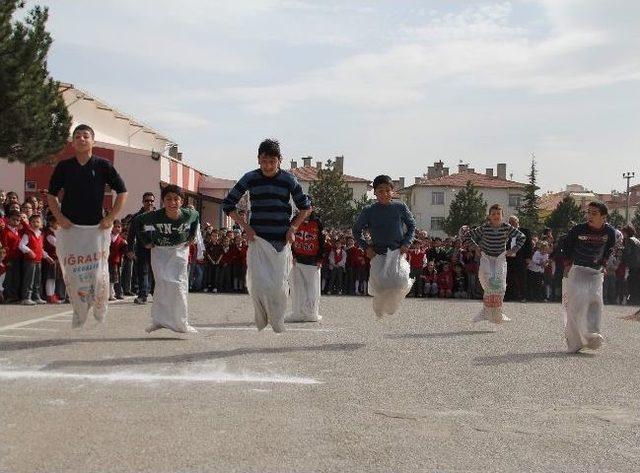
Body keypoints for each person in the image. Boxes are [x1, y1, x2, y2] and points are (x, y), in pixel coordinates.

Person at [222, 139, 311, 332]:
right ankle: (261, 315)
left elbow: (305, 207)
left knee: (278, 287)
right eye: (264, 161)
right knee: (259, 284)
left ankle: (277, 318)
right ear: (258, 160)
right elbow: (228, 205)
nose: (268, 166)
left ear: (280, 160)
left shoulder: (288, 179)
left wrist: (293, 228)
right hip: (258, 238)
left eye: (272, 161)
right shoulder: (250, 178)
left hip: (280, 239)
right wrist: (245, 227)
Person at [47, 124, 128, 327]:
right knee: (73, 274)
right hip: (70, 229)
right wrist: (59, 217)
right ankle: (79, 311)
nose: (81, 139)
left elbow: (122, 192)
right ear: (73, 143)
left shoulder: (103, 165)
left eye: (85, 136)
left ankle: (99, 307)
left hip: (96, 230)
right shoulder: (64, 166)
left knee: (98, 274)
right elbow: (51, 195)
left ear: (93, 141)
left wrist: (110, 217)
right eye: (77, 136)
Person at [139, 185, 202, 334]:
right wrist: (145, 241)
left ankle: (181, 323)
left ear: (182, 201)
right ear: (163, 201)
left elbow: (197, 217)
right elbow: (138, 223)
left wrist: (192, 237)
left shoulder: (188, 214)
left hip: (180, 250)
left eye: (176, 199)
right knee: (161, 283)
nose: (172, 202)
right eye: (168, 199)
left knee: (178, 284)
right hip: (159, 251)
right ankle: (159, 320)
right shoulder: (153, 216)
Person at [353, 175, 415, 317]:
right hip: (377, 252)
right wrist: (366, 247)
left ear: (393, 191)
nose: (385, 194)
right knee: (381, 284)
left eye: (388, 190)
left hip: (397, 251)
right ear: (375, 192)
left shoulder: (400, 207)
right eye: (381, 190)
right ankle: (380, 307)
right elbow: (356, 231)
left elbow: (412, 225)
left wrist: (406, 243)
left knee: (401, 281)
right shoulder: (369, 211)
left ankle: (392, 305)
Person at [561, 201, 616, 352]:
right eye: (588, 212)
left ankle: (592, 335)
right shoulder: (578, 229)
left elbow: (610, 250)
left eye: (594, 213)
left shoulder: (610, 232)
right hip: (578, 270)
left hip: (595, 273)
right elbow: (566, 246)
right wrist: (567, 264)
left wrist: (604, 265)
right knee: (576, 303)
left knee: (594, 300)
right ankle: (575, 343)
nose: (590, 216)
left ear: (603, 217)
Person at [462, 204, 525, 323]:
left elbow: (522, 237)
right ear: (489, 216)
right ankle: (485, 311)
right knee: (488, 282)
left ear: (502, 216)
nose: (496, 216)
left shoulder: (506, 227)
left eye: (498, 214)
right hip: (486, 257)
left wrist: (513, 250)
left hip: (500, 258)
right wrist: (476, 248)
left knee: (499, 286)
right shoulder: (485, 228)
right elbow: (467, 236)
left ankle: (498, 311)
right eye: (493, 214)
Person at [288, 210, 325, 322]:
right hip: (297, 259)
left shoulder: (317, 222)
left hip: (313, 261)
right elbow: (290, 238)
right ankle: (298, 313)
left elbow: (322, 242)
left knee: (312, 288)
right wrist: (292, 255)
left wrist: (320, 259)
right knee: (297, 287)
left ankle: (312, 313)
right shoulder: (295, 220)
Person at [127, 192, 156, 304]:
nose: (149, 202)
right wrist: (130, 250)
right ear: (143, 202)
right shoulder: (137, 217)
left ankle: (155, 294)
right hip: (142, 249)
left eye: (151, 201)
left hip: (156, 249)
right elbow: (131, 235)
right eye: (147, 200)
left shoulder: (158, 216)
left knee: (155, 273)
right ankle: (143, 296)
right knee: (142, 272)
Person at [18, 214, 53, 305]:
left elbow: (41, 248)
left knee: (37, 279)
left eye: (37, 221)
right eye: (33, 222)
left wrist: (47, 256)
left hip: (38, 260)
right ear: (29, 223)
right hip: (30, 261)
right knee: (29, 279)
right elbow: (21, 245)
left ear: (41, 223)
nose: (35, 223)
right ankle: (26, 297)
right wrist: (29, 251)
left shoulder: (41, 234)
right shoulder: (28, 233)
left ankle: (36, 296)